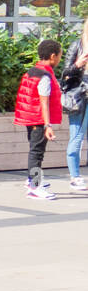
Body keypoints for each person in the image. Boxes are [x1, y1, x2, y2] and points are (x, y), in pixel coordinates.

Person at [13, 38, 63, 200]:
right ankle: (34, 187)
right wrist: (47, 125)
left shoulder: (33, 71)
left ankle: (32, 181)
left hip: (31, 117)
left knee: (35, 151)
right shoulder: (45, 76)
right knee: (37, 153)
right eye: (60, 55)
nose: (60, 59)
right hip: (38, 119)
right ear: (53, 56)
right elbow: (44, 101)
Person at [62, 35, 88, 191]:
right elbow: (64, 74)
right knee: (77, 135)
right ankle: (75, 176)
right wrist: (78, 65)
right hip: (80, 98)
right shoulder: (77, 45)